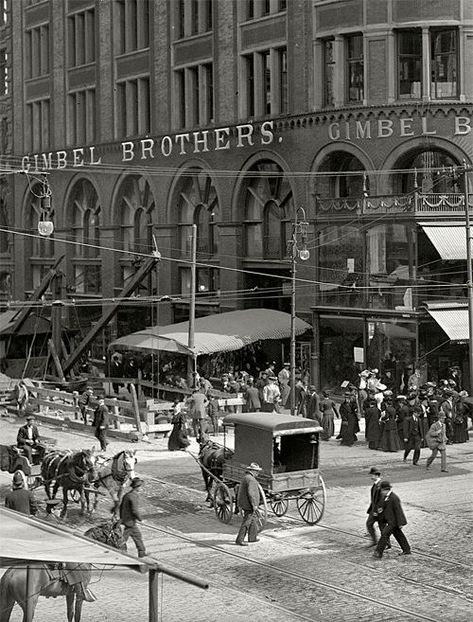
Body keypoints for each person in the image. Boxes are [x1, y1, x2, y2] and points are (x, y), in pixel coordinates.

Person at [373, 481, 411, 559]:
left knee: (384, 534)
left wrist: (400, 523)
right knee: (398, 535)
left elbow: (398, 511)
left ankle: (378, 552)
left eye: (382, 490)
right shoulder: (386, 497)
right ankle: (406, 549)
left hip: (394, 521)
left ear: (385, 489)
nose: (381, 492)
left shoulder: (394, 498)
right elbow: (382, 507)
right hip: (390, 520)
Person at [235, 462, 262, 546]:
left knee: (252, 519)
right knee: (247, 522)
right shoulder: (251, 480)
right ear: (252, 471)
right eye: (257, 471)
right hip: (248, 504)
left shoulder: (246, 477)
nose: (258, 473)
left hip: (244, 502)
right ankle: (240, 539)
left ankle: (252, 537)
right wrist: (254, 505)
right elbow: (252, 493)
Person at [119, 477, 147, 557]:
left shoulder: (127, 495)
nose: (141, 488)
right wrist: (140, 519)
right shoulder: (134, 496)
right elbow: (135, 510)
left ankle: (120, 550)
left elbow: (121, 507)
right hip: (130, 521)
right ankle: (142, 554)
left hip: (126, 520)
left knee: (127, 537)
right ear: (137, 487)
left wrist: (122, 518)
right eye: (140, 486)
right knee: (137, 536)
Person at [365, 467, 390, 548]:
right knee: (369, 524)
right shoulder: (376, 484)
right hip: (374, 509)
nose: (371, 477)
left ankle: (386, 543)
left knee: (382, 527)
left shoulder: (380, 485)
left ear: (376, 475)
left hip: (379, 510)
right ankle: (374, 541)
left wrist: (377, 511)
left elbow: (381, 499)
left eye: (372, 475)